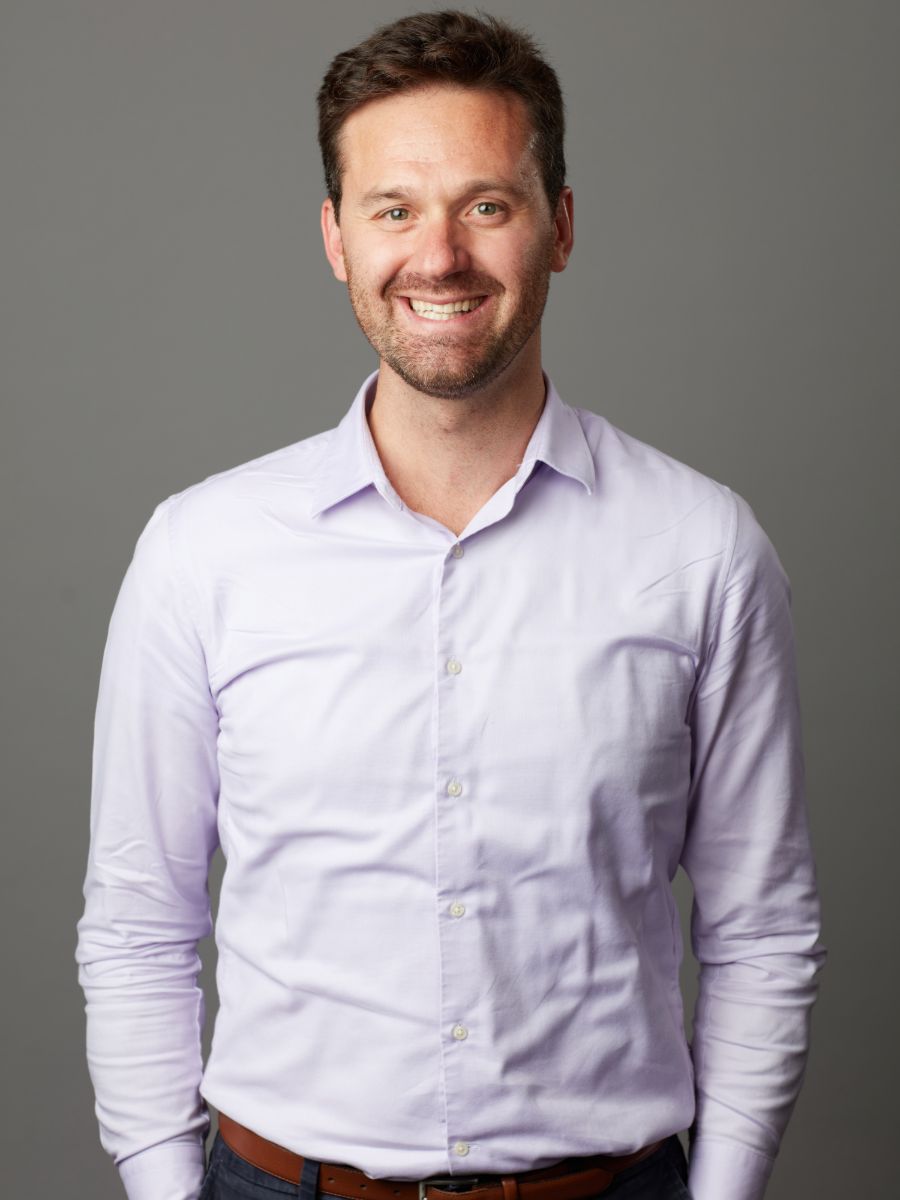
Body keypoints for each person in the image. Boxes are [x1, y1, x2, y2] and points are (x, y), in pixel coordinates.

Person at [76, 10, 826, 1200]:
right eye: (393, 209)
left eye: (486, 204)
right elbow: (136, 925)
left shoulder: (701, 549)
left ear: (560, 227)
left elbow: (761, 928)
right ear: (334, 237)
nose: (439, 257)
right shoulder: (203, 552)